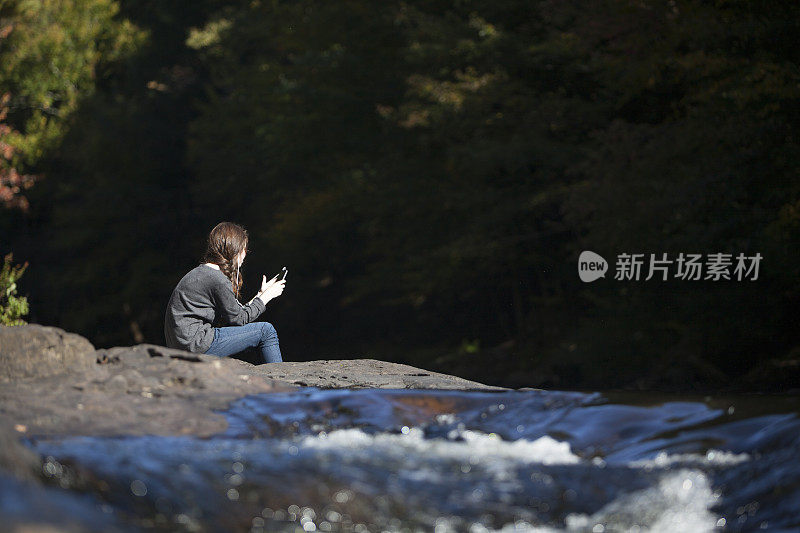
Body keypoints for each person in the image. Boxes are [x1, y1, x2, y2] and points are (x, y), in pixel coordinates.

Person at [164, 221, 286, 363]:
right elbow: (238, 320)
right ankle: (280, 382)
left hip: (181, 345)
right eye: (244, 249)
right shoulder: (217, 279)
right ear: (235, 250)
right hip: (195, 345)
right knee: (266, 331)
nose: (245, 254)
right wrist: (267, 297)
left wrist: (260, 295)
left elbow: (236, 313)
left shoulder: (202, 273)